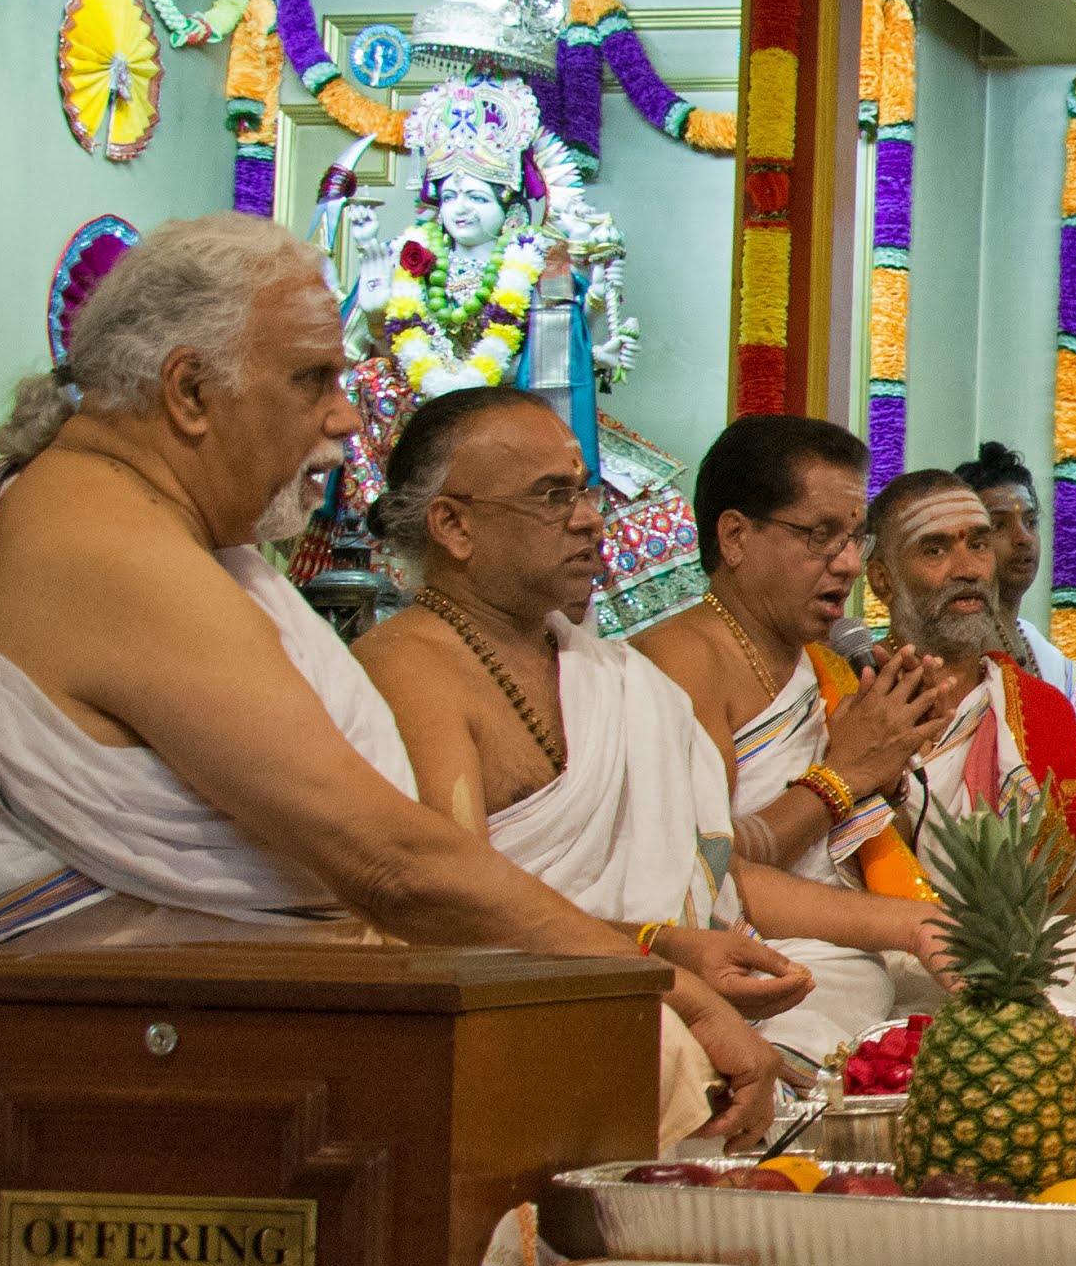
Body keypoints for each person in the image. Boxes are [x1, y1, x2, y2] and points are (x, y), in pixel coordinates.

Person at [0, 215, 772, 1144]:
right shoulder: (110, 544)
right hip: (130, 1050)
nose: (347, 418)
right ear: (189, 391)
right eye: (313, 379)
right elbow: (388, 862)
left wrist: (651, 958)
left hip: (215, 1012)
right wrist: (663, 985)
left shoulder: (127, 516)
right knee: (650, 1055)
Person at [358, 386, 942, 1000]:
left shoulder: (615, 678)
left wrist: (912, 910)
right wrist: (659, 954)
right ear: (453, 525)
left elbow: (705, 871)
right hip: (533, 1009)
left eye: (585, 491)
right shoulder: (409, 670)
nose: (591, 518)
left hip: (660, 982)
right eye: (554, 496)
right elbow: (451, 914)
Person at [767, 470, 1076, 1047]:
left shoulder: (1039, 712)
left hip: (1011, 960)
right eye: (935, 549)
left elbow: (1068, 889)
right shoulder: (830, 698)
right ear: (882, 578)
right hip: (878, 953)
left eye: (979, 543)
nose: (968, 567)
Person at [636, 415, 972, 880]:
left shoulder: (829, 668)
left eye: (855, 539)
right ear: (735, 537)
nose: (850, 565)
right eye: (822, 536)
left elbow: (868, 859)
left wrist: (889, 759)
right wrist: (845, 774)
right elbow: (703, 871)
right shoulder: (678, 660)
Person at [958, 440, 1076, 696]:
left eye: (1031, 521)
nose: (1024, 538)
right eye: (998, 525)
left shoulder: (1047, 657)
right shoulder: (954, 645)